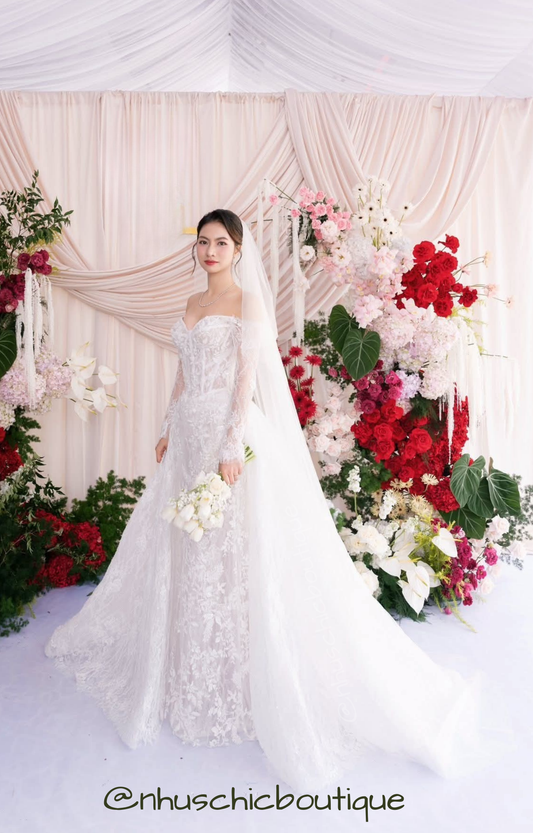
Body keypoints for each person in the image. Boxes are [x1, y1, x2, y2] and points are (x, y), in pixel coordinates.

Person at [45, 209, 515, 792]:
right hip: (187, 434)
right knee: (187, 540)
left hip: (228, 435)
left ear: (239, 250)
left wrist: (231, 444)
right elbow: (185, 373)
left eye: (222, 242)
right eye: (203, 242)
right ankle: (187, 653)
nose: (210, 251)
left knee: (233, 543)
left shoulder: (246, 303)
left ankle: (243, 663)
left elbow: (245, 376)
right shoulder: (190, 304)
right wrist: (167, 425)